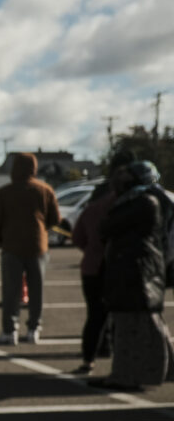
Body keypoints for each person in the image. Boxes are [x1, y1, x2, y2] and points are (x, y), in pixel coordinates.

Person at [89, 160, 174, 390]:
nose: (120, 181)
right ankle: (134, 373)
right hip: (135, 270)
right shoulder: (144, 200)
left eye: (127, 176)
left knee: (133, 327)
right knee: (137, 324)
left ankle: (129, 376)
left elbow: (107, 227)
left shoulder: (144, 201)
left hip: (137, 272)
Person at [0, 153, 60, 345]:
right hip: (38, 246)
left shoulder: (4, 193)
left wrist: (2, 235)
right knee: (37, 290)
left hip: (11, 246)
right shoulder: (45, 190)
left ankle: (9, 330)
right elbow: (55, 219)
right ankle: (34, 328)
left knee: (11, 291)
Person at [70, 151, 132, 374]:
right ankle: (122, 361)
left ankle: (89, 358)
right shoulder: (132, 207)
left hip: (92, 267)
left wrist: (92, 249)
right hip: (119, 267)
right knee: (123, 316)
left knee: (95, 316)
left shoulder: (93, 207)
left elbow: (78, 237)